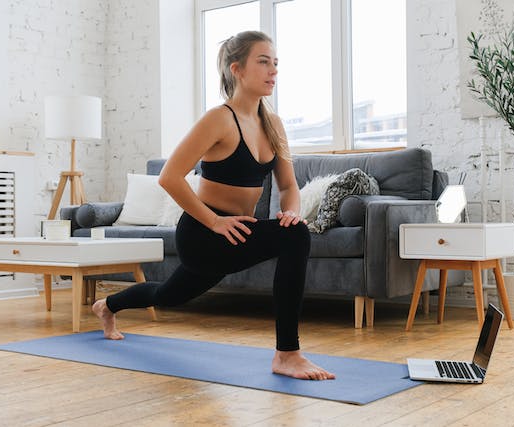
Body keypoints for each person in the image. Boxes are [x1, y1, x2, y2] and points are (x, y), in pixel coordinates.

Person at [92, 30, 335, 381]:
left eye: (276, 64)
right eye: (263, 62)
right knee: (295, 237)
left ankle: (107, 305)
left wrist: (292, 210)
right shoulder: (218, 119)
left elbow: (288, 186)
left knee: (168, 294)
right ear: (237, 69)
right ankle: (287, 354)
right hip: (203, 234)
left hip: (235, 234)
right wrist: (214, 222)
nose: (273, 71)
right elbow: (170, 177)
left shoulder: (273, 124)